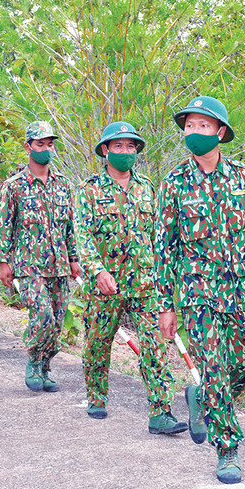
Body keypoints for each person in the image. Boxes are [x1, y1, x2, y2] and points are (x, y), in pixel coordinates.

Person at [155, 96, 245, 484]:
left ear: (221, 132)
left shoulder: (244, 178)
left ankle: (203, 399)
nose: (193, 133)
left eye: (202, 126)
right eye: (188, 126)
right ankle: (227, 449)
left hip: (241, 290)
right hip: (198, 295)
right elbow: (164, 248)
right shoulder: (174, 184)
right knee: (212, 368)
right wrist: (166, 304)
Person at [75, 122, 187, 435]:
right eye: (119, 146)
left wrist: (167, 281)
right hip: (106, 284)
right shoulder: (89, 190)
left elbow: (160, 236)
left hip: (145, 283)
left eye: (130, 146)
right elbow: (82, 235)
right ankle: (96, 395)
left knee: (154, 346)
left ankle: (161, 412)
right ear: (106, 151)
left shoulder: (147, 188)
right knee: (98, 343)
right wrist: (96, 270)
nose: (125, 152)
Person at [0, 121, 82, 392]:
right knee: (42, 313)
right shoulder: (14, 186)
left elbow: (70, 226)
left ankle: (46, 367)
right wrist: (3, 261)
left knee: (57, 322)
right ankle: (33, 362)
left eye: (49, 144)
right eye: (40, 144)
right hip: (28, 265)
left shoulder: (63, 185)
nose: (46, 149)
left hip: (58, 265)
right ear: (28, 147)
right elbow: (4, 226)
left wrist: (74, 258)